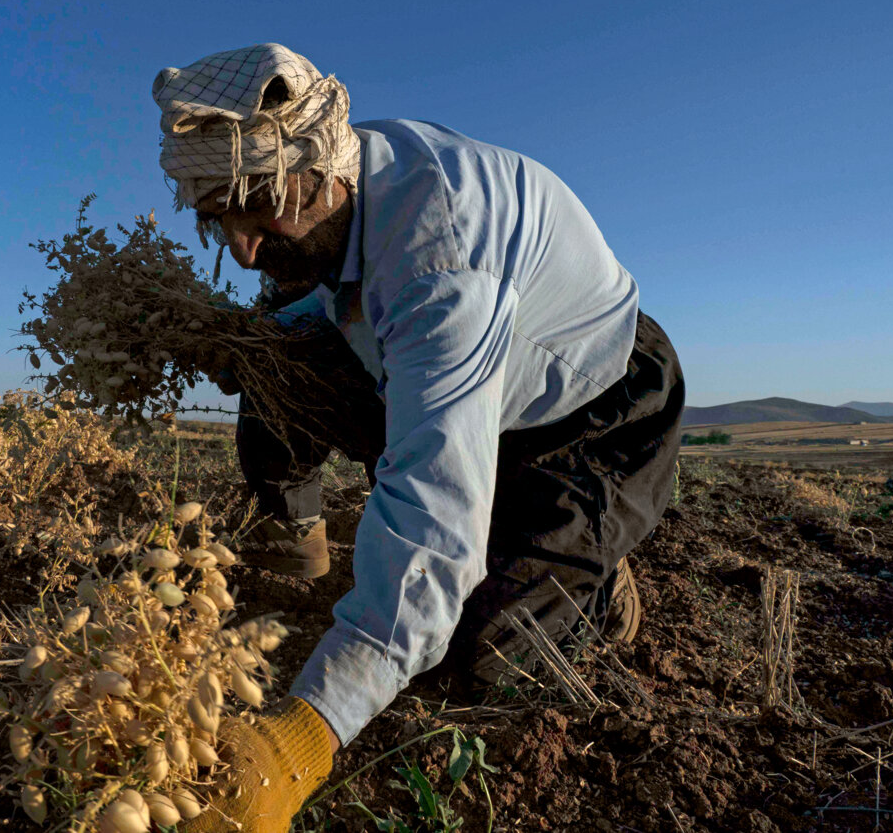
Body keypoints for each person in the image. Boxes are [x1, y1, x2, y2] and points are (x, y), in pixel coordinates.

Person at [152, 43, 684, 833]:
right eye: (216, 219)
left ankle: (591, 572)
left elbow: (433, 537)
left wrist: (305, 732)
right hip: (471, 377)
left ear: (323, 174)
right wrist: (227, 336)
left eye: (255, 209)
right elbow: (321, 305)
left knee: (488, 654)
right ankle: (300, 550)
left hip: (597, 411)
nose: (243, 247)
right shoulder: (347, 180)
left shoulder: (441, 262)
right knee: (269, 349)